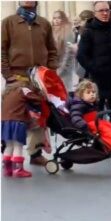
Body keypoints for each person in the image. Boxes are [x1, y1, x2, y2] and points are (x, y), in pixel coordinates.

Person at [1, 1, 57, 167]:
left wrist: (50, 71)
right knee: (13, 116)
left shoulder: (44, 23)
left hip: (39, 77)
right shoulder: (9, 22)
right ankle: (8, 154)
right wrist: (8, 74)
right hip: (17, 76)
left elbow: (52, 50)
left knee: (38, 116)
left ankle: (36, 153)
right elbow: (1, 50)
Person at [77, 1, 111, 127]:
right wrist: (95, 68)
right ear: (95, 13)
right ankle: (98, 144)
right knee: (97, 116)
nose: (105, 13)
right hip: (98, 81)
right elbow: (81, 55)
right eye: (101, 11)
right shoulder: (88, 31)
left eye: (107, 10)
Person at [2, 80, 43, 178]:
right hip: (18, 122)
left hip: (4, 122)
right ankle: (19, 170)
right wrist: (40, 94)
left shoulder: (7, 92)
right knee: (18, 146)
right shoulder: (24, 89)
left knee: (9, 145)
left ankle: (8, 170)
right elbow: (37, 99)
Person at [52, 10, 75, 92]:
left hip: (64, 69)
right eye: (54, 18)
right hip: (53, 68)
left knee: (64, 93)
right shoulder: (52, 32)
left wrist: (61, 69)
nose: (56, 20)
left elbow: (68, 53)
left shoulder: (68, 32)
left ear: (63, 19)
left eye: (59, 18)